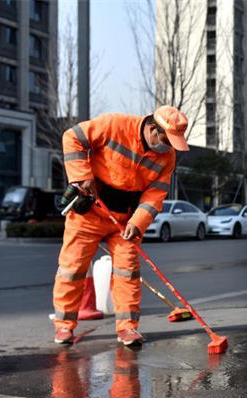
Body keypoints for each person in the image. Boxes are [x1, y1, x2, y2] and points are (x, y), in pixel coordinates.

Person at [52, 106, 189, 346]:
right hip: (91, 211)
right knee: (72, 268)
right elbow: (72, 137)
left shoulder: (168, 157)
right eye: (167, 140)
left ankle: (127, 328)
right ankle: (64, 326)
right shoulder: (114, 125)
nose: (168, 147)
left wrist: (138, 223)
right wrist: (81, 175)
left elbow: (155, 194)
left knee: (128, 272)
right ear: (152, 128)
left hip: (125, 220)